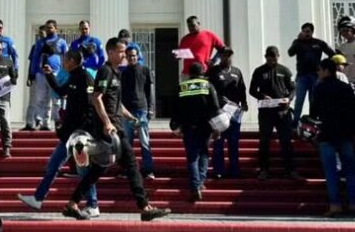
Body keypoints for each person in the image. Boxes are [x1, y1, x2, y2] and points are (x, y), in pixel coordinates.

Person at [62, 38, 171, 221]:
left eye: (125, 52)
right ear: (111, 52)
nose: (124, 55)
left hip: (116, 125)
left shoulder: (116, 73)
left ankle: (72, 203)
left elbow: (117, 103)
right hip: (111, 130)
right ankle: (145, 207)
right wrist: (107, 123)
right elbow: (97, 98)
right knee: (131, 165)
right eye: (121, 52)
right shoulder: (105, 71)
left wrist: (131, 117)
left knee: (99, 168)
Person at [18, 50, 100, 217]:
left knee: (83, 169)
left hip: (79, 134)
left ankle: (93, 204)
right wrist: (49, 75)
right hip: (69, 133)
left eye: (65, 60)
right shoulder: (73, 77)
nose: (62, 63)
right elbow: (61, 91)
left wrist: (85, 131)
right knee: (54, 165)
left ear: (72, 61)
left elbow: (91, 106)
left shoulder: (85, 77)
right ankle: (38, 198)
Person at [311, 59, 355, 217]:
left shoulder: (320, 88)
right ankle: (354, 204)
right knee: (351, 171)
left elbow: (314, 112)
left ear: (326, 70)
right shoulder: (345, 88)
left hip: (327, 134)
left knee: (331, 172)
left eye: (319, 70)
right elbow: (354, 111)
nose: (318, 73)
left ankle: (335, 205)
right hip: (346, 134)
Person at [171, 63, 222, 202]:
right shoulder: (208, 86)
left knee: (192, 157)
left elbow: (176, 109)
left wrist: (176, 125)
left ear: (189, 74)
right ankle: (200, 182)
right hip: (205, 126)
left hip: (188, 127)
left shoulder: (182, 87)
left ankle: (195, 186)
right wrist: (217, 127)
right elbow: (215, 108)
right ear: (202, 72)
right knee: (204, 153)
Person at [249, 46, 300, 181]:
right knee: (264, 141)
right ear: (266, 57)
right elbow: (252, 90)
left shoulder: (285, 70)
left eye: (275, 58)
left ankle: (290, 170)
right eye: (269, 58)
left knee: (286, 141)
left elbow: (293, 89)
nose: (272, 61)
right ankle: (264, 170)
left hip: (282, 111)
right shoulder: (259, 71)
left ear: (278, 57)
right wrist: (262, 96)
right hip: (266, 112)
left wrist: (288, 99)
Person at [207, 47, 248, 179]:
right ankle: (218, 170)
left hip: (234, 112)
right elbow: (208, 90)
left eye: (229, 55)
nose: (227, 57)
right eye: (224, 55)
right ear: (220, 56)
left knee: (233, 142)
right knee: (219, 142)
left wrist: (244, 103)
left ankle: (234, 170)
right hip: (219, 112)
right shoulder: (213, 71)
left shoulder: (237, 71)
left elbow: (242, 88)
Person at [289, 23, 335, 125]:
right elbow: (290, 53)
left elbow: (332, 54)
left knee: (313, 100)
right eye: (304, 31)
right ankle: (295, 122)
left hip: (315, 76)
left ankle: (312, 121)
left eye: (308, 31)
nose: (306, 33)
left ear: (312, 32)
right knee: (299, 100)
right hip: (302, 76)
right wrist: (298, 41)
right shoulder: (297, 42)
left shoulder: (318, 43)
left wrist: (324, 66)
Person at [25, 19, 67, 131]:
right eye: (47, 28)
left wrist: (65, 74)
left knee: (56, 100)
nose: (48, 30)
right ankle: (42, 122)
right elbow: (35, 58)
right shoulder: (40, 42)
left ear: (55, 28)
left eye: (50, 27)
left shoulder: (62, 42)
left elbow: (66, 58)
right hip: (41, 74)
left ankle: (58, 120)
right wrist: (32, 74)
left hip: (56, 74)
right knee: (41, 99)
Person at [121, 46, 155, 179]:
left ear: (138, 56)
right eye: (129, 56)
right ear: (126, 57)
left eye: (134, 55)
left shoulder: (145, 70)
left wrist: (151, 108)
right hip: (127, 111)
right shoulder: (123, 72)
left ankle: (148, 169)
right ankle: (128, 170)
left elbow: (149, 91)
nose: (132, 58)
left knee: (144, 141)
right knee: (127, 142)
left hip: (142, 110)